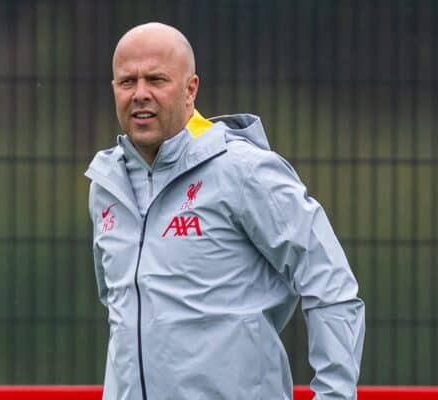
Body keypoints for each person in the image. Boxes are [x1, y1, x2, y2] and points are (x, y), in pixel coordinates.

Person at [85, 22, 365, 400]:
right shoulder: (106, 185)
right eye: (127, 82)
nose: (140, 94)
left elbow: (329, 282)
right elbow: (122, 310)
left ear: (191, 89)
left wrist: (335, 395)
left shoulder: (245, 170)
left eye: (156, 79)